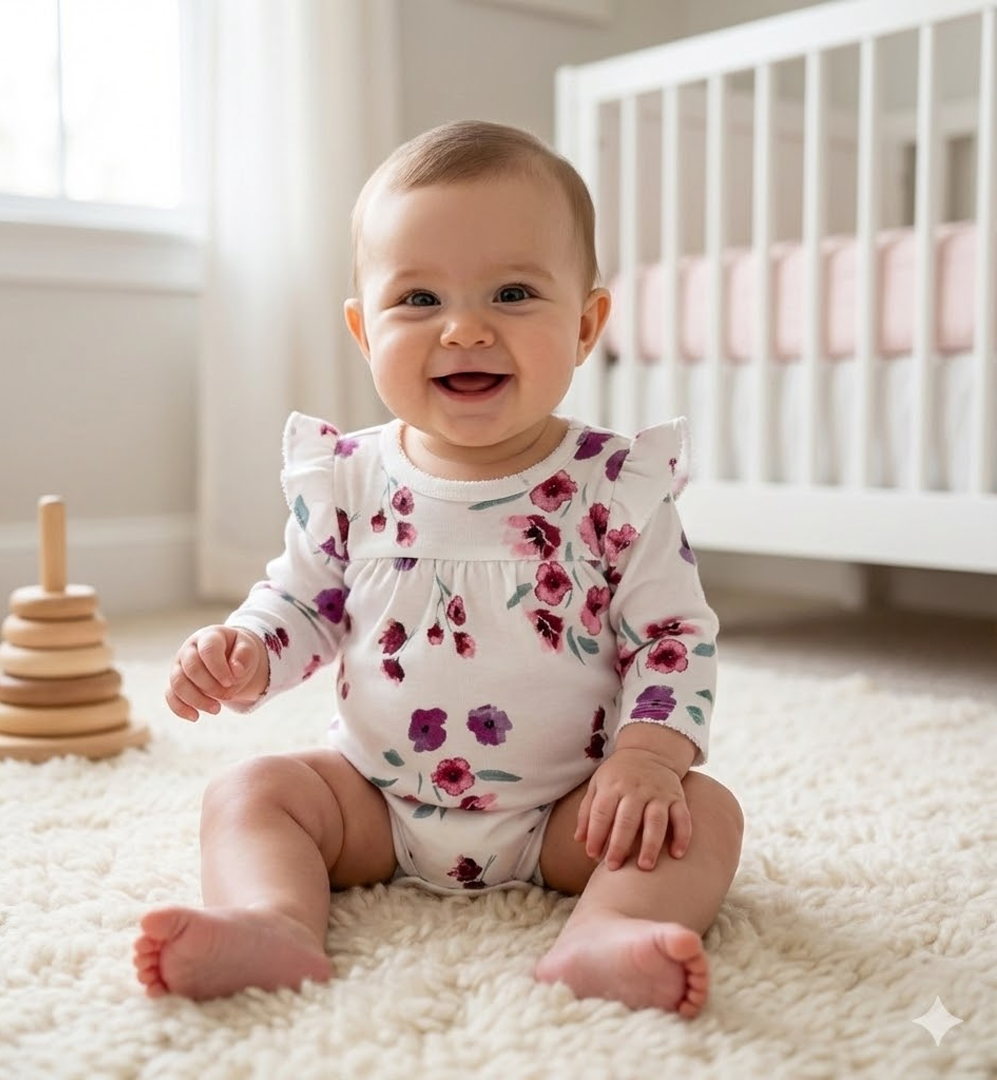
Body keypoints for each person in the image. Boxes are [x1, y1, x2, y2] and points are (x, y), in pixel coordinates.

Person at [133, 119, 744, 1017]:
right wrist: (247, 648)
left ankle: (605, 933)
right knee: (249, 791)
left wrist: (648, 760)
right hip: (372, 802)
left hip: (570, 810)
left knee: (705, 814)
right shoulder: (345, 476)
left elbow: (671, 639)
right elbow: (303, 601)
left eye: (511, 293)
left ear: (584, 326)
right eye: (417, 300)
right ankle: (271, 920)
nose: (464, 328)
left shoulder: (615, 488)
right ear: (362, 329)